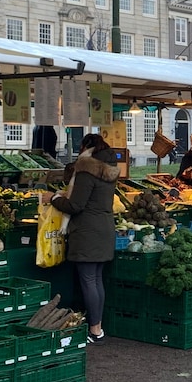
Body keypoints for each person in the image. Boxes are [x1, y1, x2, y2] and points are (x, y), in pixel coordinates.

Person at [50, 133, 119, 344]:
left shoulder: (87, 171)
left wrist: (54, 198)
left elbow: (75, 205)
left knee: (89, 281)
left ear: (86, 148)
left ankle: (95, 330)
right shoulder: (109, 171)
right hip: (105, 228)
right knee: (96, 280)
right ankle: (97, 327)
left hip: (88, 231)